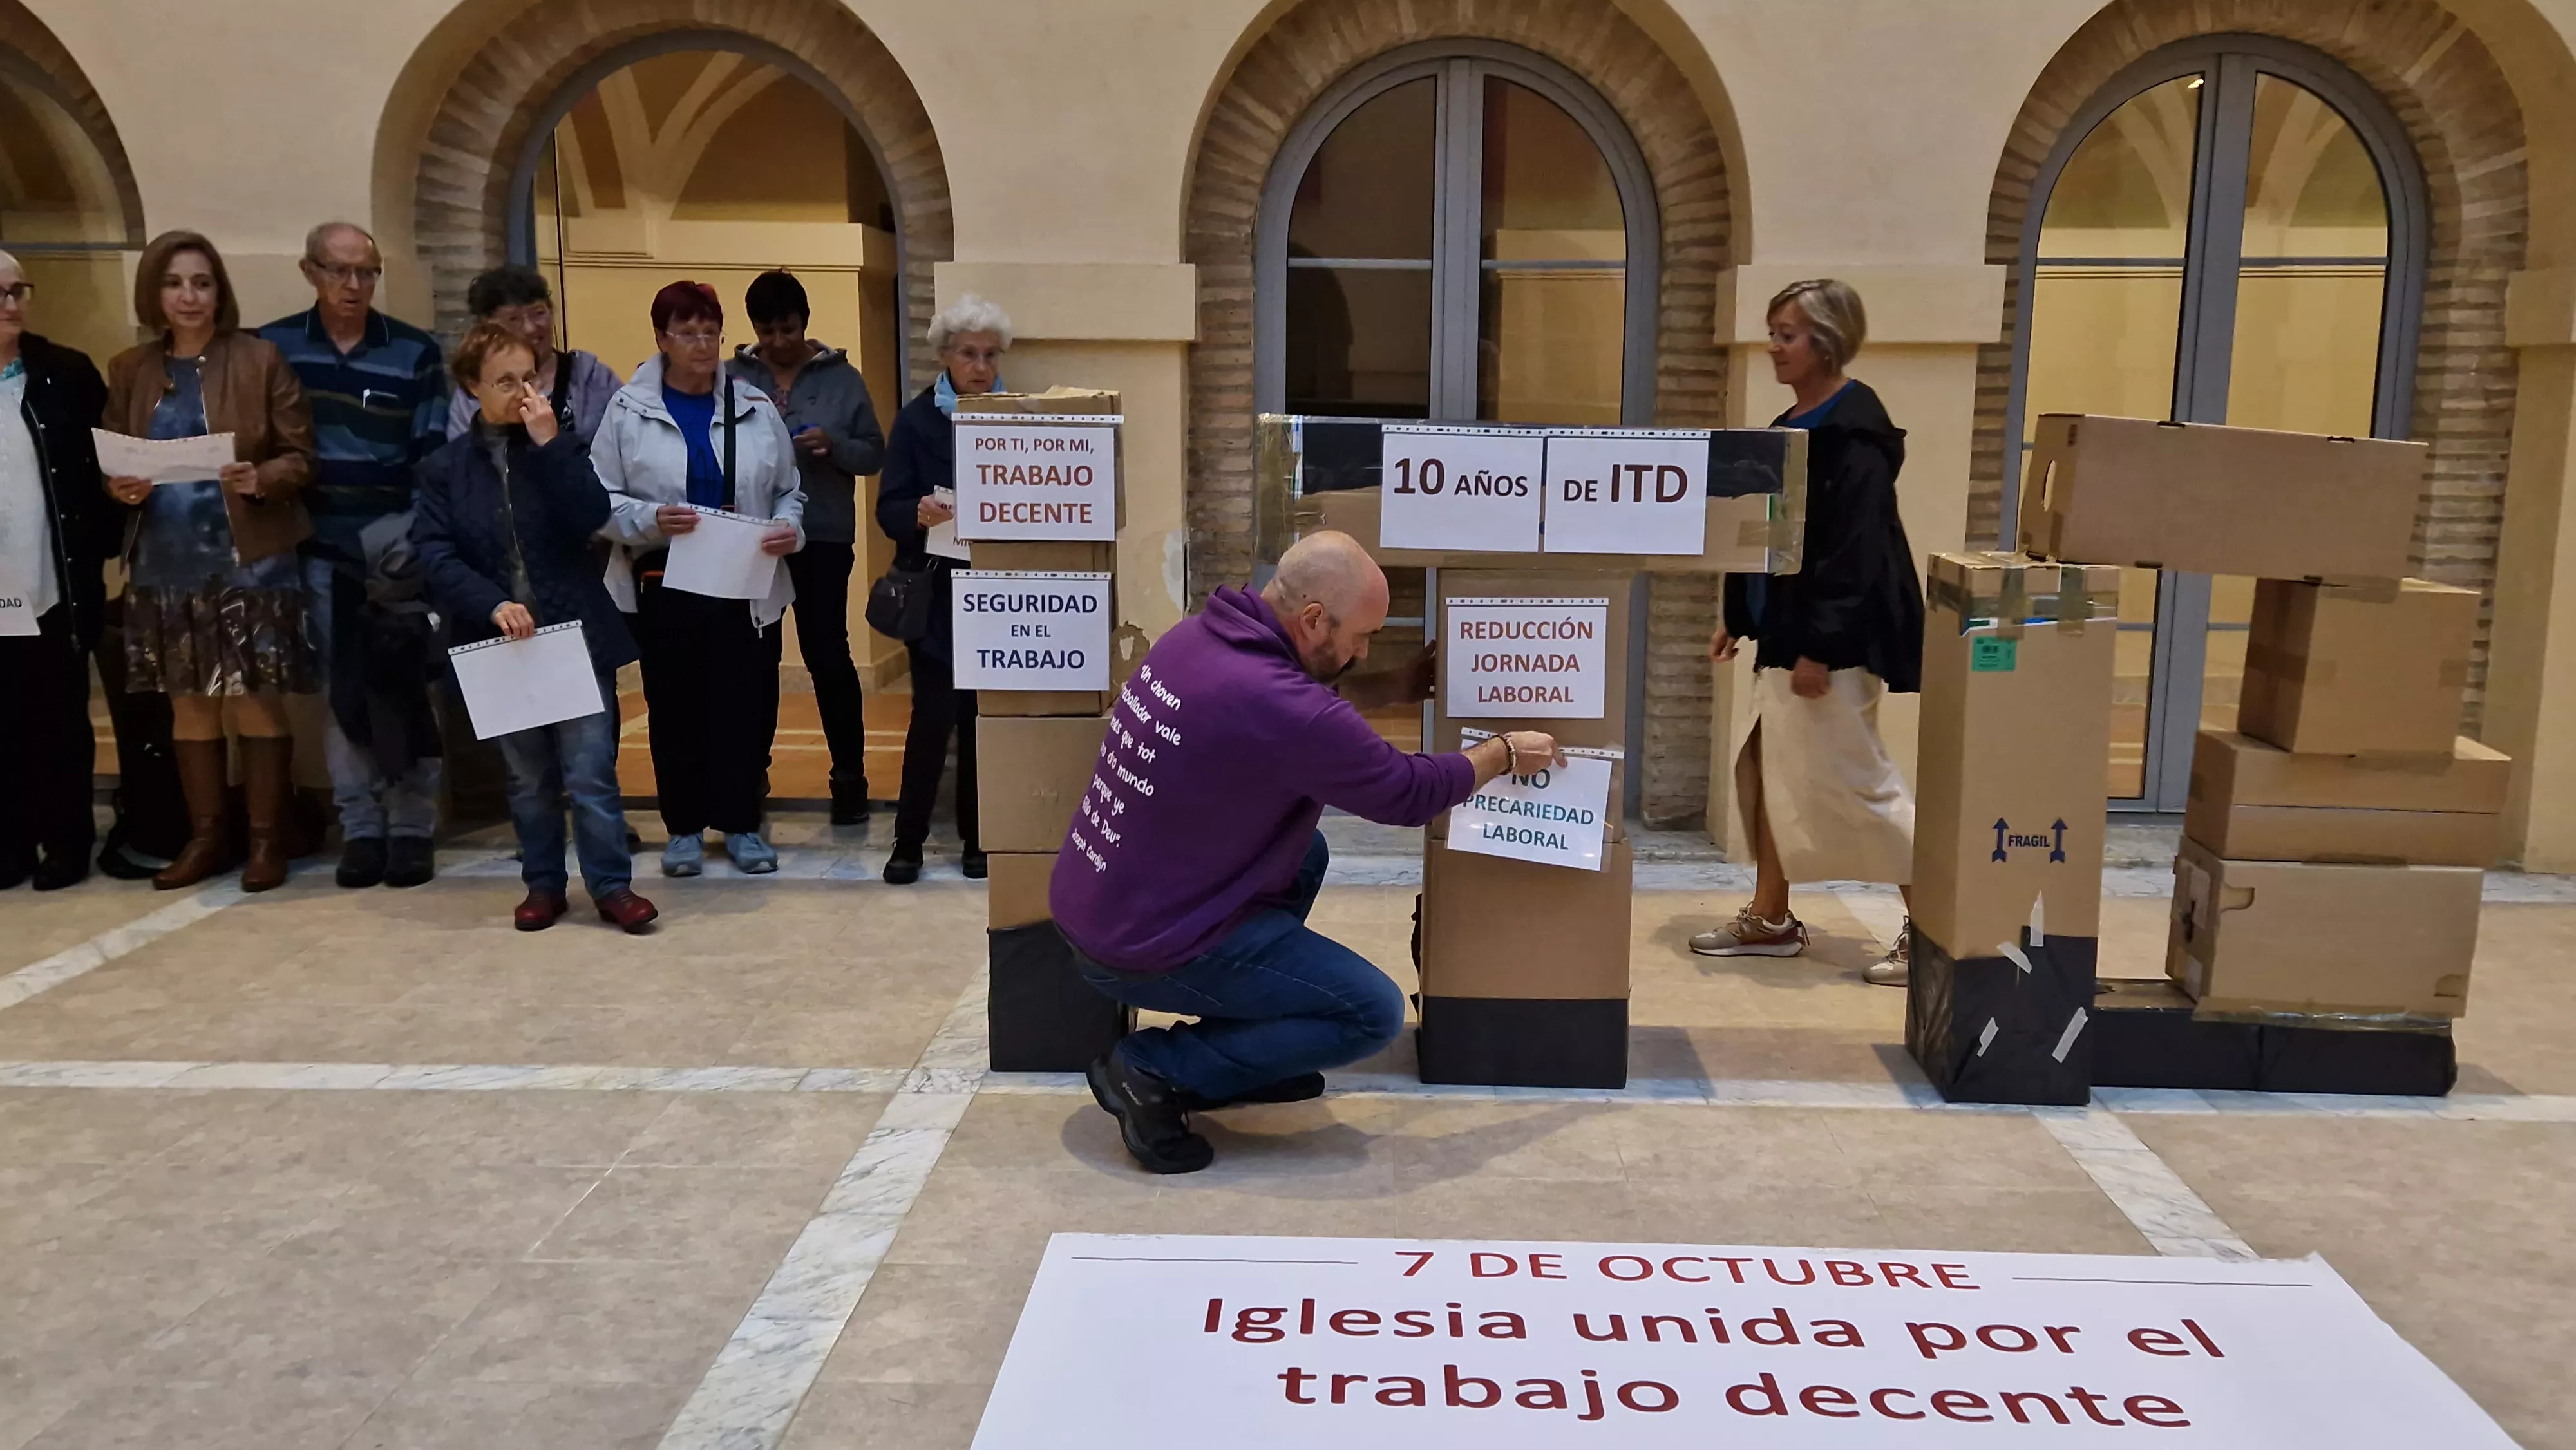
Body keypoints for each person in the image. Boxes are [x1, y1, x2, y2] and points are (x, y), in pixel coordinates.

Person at [1051, 531, 1561, 1174]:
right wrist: (1502, 753)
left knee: (1306, 851)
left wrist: (1394, 685)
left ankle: (1249, 1052)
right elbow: (1405, 793)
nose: (1363, 649)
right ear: (1313, 618)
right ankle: (1153, 1068)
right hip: (1137, 943)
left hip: (1104, 899)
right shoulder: (1280, 702)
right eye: (1360, 636)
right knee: (1366, 1011)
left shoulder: (1199, 637)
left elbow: (1292, 707)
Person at [1693, 279, 1924, 984]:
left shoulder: (1853, 436)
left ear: (1824, 340)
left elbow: (1855, 552)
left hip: (1828, 647)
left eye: (1786, 333)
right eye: (1773, 331)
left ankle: (1941, 934)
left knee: (1864, 791)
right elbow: (1766, 530)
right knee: (1767, 773)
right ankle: (1769, 917)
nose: (1773, 346)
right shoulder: (1797, 421)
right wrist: (1739, 616)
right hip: (1787, 636)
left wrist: (1818, 647)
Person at [415, 321, 658, 932]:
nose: (523, 391)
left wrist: (551, 446)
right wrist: (492, 603)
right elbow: (435, 552)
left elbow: (594, 515)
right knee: (528, 778)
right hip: (501, 642)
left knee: (590, 770)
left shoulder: (561, 443)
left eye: (531, 376)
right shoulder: (445, 468)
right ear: (473, 387)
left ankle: (610, 886)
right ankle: (544, 885)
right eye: (505, 381)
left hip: (571, 634)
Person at [103, 230, 319, 892]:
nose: (189, 296)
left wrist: (264, 475)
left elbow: (300, 455)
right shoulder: (131, 369)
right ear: (155, 294)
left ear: (219, 291)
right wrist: (121, 485)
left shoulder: (259, 359)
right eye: (174, 283)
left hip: (247, 558)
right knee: (189, 707)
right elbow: (112, 456)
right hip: (164, 562)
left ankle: (264, 841)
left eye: (201, 282)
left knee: (255, 702)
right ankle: (205, 837)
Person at [260, 222, 449, 890]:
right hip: (317, 547)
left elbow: (431, 458)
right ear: (310, 271)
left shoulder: (414, 352)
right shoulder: (271, 347)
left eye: (366, 272)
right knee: (343, 696)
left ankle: (411, 827)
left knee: (408, 686)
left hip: (397, 552)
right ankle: (361, 827)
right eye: (339, 271)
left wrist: (408, 549)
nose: (354, 285)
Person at [595, 280, 804, 878]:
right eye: (687, 333)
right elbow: (600, 498)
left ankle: (742, 822)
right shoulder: (628, 411)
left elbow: (790, 490)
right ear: (661, 338)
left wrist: (790, 527)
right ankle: (684, 827)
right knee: (677, 707)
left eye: (710, 332)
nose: (702, 344)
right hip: (666, 580)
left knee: (747, 704)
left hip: (747, 582)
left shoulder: (756, 407)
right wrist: (649, 519)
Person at [730, 269, 886, 825]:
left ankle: (849, 778)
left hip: (821, 533)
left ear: (806, 323)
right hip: (753, 538)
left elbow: (874, 453)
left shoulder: (843, 379)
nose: (777, 341)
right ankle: (750, 774)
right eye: (767, 331)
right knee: (756, 660)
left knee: (828, 656)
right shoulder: (732, 378)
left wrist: (834, 445)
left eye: (787, 329)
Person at [874, 294, 1010, 885]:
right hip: (935, 592)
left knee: (983, 717)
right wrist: (920, 513)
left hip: (995, 589)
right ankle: (909, 840)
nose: (980, 366)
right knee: (932, 717)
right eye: (968, 354)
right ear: (946, 357)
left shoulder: (1016, 415)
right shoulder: (916, 419)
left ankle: (978, 839)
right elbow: (888, 508)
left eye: (990, 354)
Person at [0, 251, 113, 889]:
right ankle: (8, 842)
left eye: (19, 290)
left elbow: (99, 465)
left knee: (56, 715)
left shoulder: (63, 373)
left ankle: (66, 841)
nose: (12, 303)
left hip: (51, 576)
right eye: (0, 293)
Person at [443, 265, 623, 449]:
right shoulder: (477, 388)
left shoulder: (591, 376)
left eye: (539, 314)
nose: (530, 328)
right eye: (514, 319)